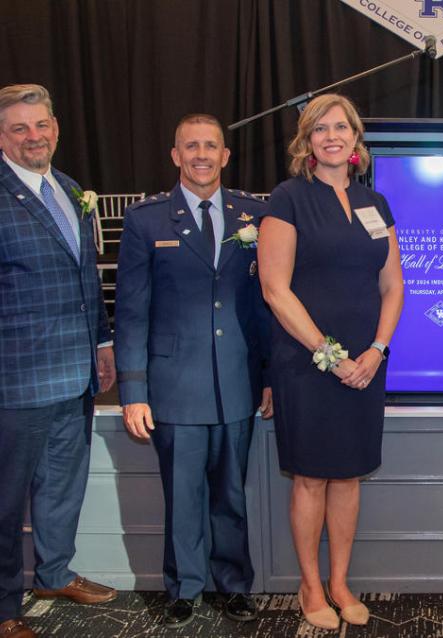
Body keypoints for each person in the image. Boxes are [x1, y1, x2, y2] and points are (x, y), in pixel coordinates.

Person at [114, 114, 272, 629]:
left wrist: (269, 375)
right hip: (174, 384)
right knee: (183, 495)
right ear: (175, 155)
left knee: (231, 494)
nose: (201, 155)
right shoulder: (146, 220)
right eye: (191, 146)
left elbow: (265, 303)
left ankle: (233, 585)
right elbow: (131, 311)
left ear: (225, 155)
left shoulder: (254, 214)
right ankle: (183, 588)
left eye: (210, 146)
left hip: (237, 381)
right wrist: (133, 390)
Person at [258, 94, 403, 631]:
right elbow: (275, 289)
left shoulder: (375, 203)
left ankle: (340, 582)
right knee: (311, 478)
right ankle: (310, 585)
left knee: (348, 476)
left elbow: (393, 286)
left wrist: (376, 350)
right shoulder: (288, 198)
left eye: (341, 127)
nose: (332, 136)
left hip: (366, 364)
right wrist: (329, 355)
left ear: (356, 138)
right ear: (307, 141)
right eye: (320, 129)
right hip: (306, 363)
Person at [0, 83, 117, 638]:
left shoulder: (69, 189)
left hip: (74, 375)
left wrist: (102, 343)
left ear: (56, 128)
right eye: (19, 128)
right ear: (2, 136)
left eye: (41, 124)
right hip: (15, 382)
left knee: (61, 486)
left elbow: (85, 280)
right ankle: (4, 609)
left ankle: (52, 574)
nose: (33, 136)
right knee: (5, 504)